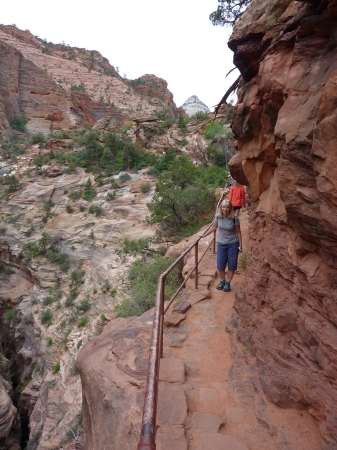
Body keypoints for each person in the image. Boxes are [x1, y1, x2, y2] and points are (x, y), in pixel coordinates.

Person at [199, 199, 242, 292]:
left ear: (230, 208)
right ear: (221, 208)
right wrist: (204, 235)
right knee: (220, 264)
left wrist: (240, 244)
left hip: (233, 244)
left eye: (227, 207)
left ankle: (228, 282)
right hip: (222, 244)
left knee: (232, 264)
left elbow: (238, 232)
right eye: (223, 207)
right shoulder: (218, 216)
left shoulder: (234, 218)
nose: (225, 209)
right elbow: (214, 227)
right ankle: (222, 280)